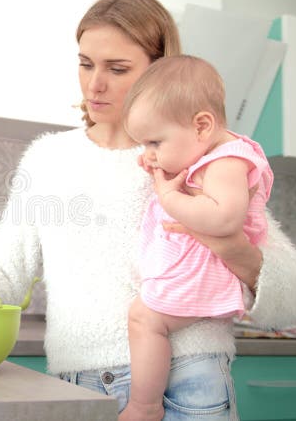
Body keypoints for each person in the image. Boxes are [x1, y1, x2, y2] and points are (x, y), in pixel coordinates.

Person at [0, 0, 296, 420]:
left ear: (158, 70)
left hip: (189, 378)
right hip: (80, 384)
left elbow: (293, 298)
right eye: (86, 63)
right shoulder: (49, 158)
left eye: (118, 68)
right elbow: (6, 272)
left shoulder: (196, 157)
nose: (95, 83)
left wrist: (231, 247)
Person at [119, 55, 274, 421]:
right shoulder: (210, 154)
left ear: (202, 126)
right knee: (144, 316)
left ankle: (145, 405)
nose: (149, 155)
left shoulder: (227, 162)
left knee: (145, 319)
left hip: (206, 270)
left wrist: (170, 198)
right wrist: (159, 156)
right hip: (199, 267)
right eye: (144, 144)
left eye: (155, 141)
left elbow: (223, 218)